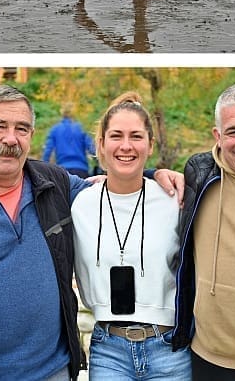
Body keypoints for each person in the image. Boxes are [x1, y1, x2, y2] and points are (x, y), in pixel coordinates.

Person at [0, 85, 183, 381]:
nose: (10, 138)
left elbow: (121, 186)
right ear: (101, 142)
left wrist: (156, 175)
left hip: (53, 369)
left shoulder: (54, 186)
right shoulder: (74, 196)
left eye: (21, 128)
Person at [71, 93, 190, 379]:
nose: (126, 145)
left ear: (150, 144)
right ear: (101, 144)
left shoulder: (175, 200)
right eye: (116, 136)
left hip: (170, 349)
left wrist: (157, 173)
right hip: (108, 350)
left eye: (136, 136)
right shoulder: (79, 203)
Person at [172, 83, 235, 380]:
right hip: (205, 357)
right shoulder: (200, 174)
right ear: (218, 136)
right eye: (233, 132)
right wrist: (151, 174)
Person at [41, 104, 96, 178]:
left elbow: (48, 150)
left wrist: (43, 170)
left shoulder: (55, 129)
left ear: (62, 113)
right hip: (81, 169)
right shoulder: (81, 128)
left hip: (62, 171)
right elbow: (91, 148)